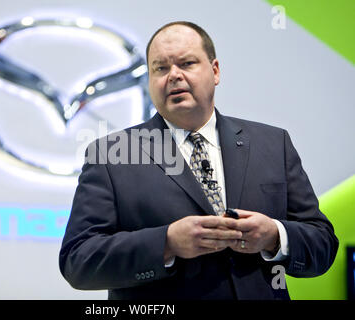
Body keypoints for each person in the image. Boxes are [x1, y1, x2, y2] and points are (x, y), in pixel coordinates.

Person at [59, 21, 338, 299]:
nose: (174, 76)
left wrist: (275, 236)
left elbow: (323, 243)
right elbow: (78, 260)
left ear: (215, 71)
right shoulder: (111, 154)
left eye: (187, 63)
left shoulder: (273, 144)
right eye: (161, 68)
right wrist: (166, 243)